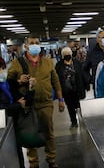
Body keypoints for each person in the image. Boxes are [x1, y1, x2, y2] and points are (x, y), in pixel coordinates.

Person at [7, 37, 65, 168]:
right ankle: (33, 163)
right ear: (26, 46)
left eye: (37, 43)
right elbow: (8, 82)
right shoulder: (17, 63)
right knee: (30, 133)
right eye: (31, 43)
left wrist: (61, 99)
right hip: (28, 105)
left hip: (46, 103)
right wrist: (19, 81)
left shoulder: (48, 62)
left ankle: (51, 160)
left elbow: (55, 81)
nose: (35, 46)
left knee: (49, 133)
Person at [0, 55, 29, 168]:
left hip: (13, 125)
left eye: (3, 68)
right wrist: (18, 105)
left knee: (18, 154)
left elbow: (15, 95)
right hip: (2, 128)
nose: (1, 71)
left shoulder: (6, 83)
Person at [55, 47, 87, 128]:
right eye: (65, 54)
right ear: (62, 55)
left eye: (68, 54)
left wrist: (86, 85)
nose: (67, 55)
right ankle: (74, 122)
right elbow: (57, 78)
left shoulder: (77, 63)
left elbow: (82, 74)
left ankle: (83, 121)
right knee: (70, 107)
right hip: (66, 90)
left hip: (78, 88)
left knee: (80, 106)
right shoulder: (59, 65)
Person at [83, 30, 104, 97]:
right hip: (99, 86)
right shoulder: (92, 53)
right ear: (98, 39)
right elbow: (84, 69)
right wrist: (91, 79)